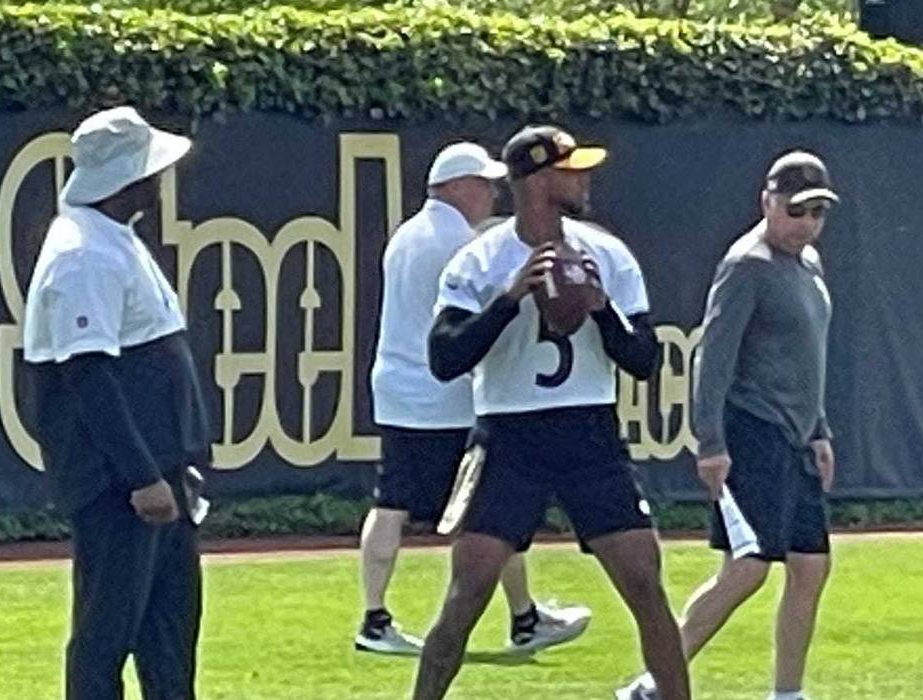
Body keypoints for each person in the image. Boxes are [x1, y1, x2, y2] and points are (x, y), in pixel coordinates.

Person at [410, 125, 691, 700]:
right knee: (467, 593)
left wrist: (600, 309)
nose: (585, 179)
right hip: (510, 435)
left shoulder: (607, 254)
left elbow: (642, 360)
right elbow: (445, 357)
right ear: (538, 178)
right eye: (572, 169)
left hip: (588, 430)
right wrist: (510, 299)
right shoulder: (480, 261)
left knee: (644, 581)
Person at [616, 151, 841, 700]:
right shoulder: (746, 266)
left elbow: (809, 356)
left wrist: (819, 430)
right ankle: (653, 682)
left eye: (816, 213)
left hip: (796, 438)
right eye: (796, 211)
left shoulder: (807, 264)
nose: (806, 224)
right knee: (748, 569)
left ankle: (787, 693)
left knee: (811, 567)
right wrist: (710, 443)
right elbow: (712, 359)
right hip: (753, 431)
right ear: (767, 202)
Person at [360, 141, 591, 656]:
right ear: (457, 187)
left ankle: (376, 617)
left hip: (400, 388)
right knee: (490, 506)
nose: (491, 194)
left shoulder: (407, 235)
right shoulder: (457, 244)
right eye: (484, 185)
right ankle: (524, 617)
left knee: (394, 502)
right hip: (443, 397)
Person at [23, 106, 210, 700]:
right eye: (151, 172)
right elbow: (89, 376)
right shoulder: (85, 254)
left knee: (168, 640)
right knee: (106, 638)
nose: (160, 183)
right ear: (128, 178)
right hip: (121, 486)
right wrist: (141, 475)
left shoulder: (111, 240)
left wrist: (170, 466)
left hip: (155, 476)